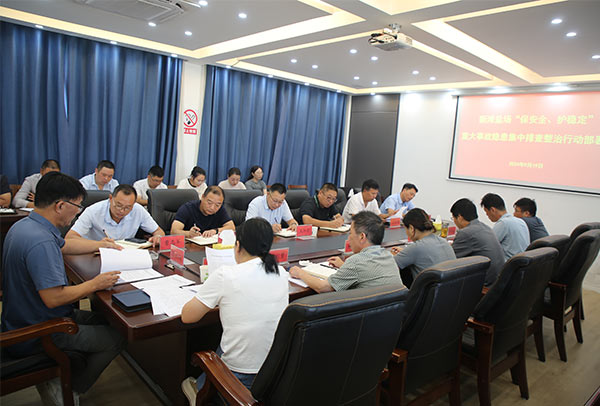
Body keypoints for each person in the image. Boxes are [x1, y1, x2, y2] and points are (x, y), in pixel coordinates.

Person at [1, 172, 125, 404]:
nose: (78, 212)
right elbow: (54, 298)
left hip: (21, 317)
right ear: (60, 206)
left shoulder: (26, 226)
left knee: (106, 319)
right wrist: (95, 283)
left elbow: (64, 245)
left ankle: (65, 374)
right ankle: (70, 387)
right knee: (116, 337)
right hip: (39, 330)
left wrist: (99, 245)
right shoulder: (41, 242)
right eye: (77, 206)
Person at [180, 218, 289, 405]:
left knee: (225, 342)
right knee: (231, 338)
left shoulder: (226, 275)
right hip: (273, 370)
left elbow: (188, 317)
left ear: (237, 245)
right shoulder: (281, 272)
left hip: (239, 376)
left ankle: (200, 391)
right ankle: (203, 383)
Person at [289, 211, 401, 292]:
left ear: (362, 237)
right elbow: (366, 272)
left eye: (350, 233)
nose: (348, 238)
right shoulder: (388, 256)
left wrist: (300, 273)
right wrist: (344, 266)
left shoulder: (356, 262)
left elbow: (323, 287)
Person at [66, 184, 165, 246]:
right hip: (95, 253)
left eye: (127, 207)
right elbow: (70, 238)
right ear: (110, 199)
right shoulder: (93, 211)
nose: (122, 211)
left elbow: (159, 231)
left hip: (124, 254)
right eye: (118, 205)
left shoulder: (138, 210)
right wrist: (99, 244)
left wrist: (158, 237)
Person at [392, 208, 456, 288]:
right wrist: (405, 252)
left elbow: (390, 265)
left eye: (406, 229)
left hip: (428, 294)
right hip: (451, 291)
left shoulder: (416, 247)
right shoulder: (444, 241)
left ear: (411, 229)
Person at [450, 198, 505, 286]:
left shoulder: (465, 233)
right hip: (497, 280)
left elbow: (450, 259)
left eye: (453, 218)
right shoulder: (485, 227)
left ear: (459, 217)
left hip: (485, 284)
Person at [480, 193, 530, 261]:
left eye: (486, 212)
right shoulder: (521, 222)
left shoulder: (503, 223)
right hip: (523, 263)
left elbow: (488, 246)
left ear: (492, 210)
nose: (487, 215)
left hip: (509, 264)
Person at [171, 186, 235, 237]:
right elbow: (173, 231)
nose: (212, 208)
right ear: (202, 197)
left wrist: (216, 231)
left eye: (217, 205)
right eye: (209, 203)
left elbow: (232, 227)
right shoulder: (188, 208)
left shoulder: (220, 210)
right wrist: (188, 233)